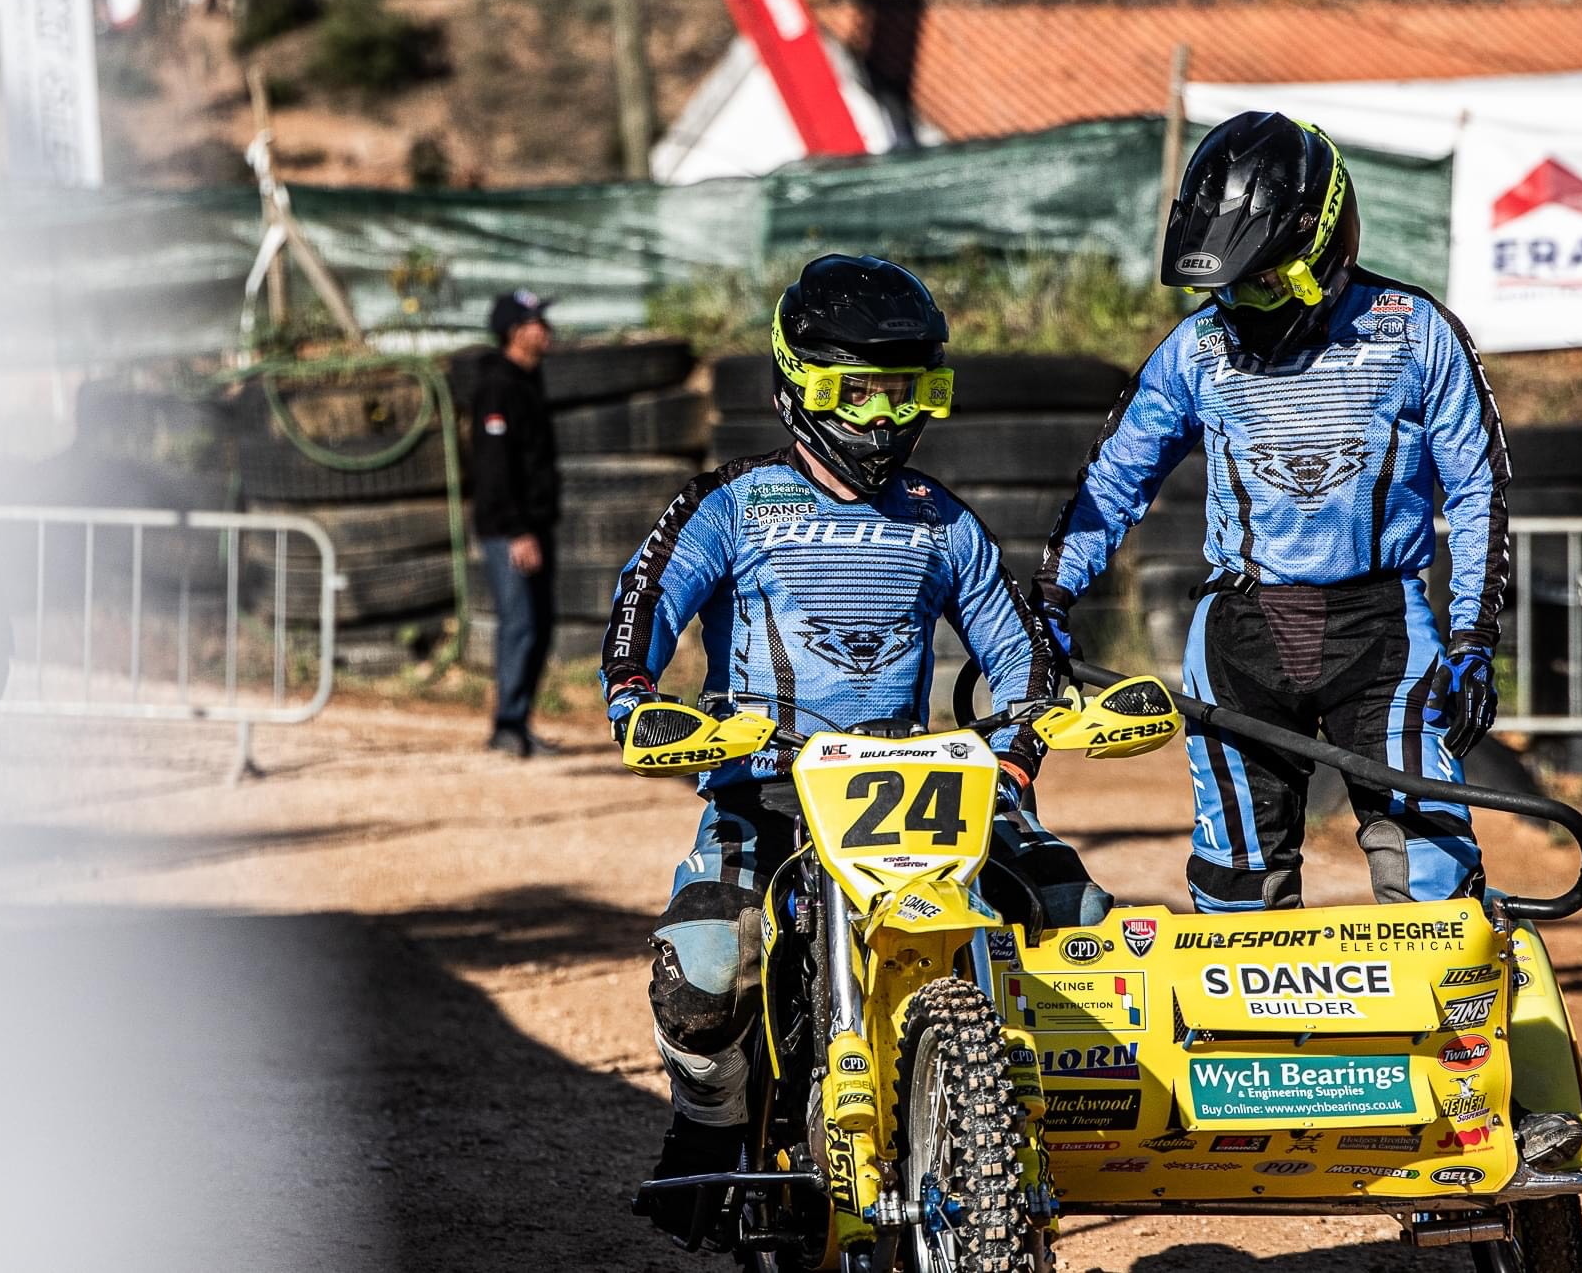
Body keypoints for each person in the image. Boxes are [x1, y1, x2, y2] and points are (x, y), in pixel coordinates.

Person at [602, 254, 1111, 1240]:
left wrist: (1015, 756)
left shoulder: (940, 519)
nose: (881, 417)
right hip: (767, 792)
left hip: (920, 791)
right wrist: (636, 701)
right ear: (797, 383)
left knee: (1074, 911)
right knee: (703, 970)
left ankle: (1048, 1126)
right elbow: (642, 609)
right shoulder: (730, 503)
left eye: (907, 391)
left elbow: (1020, 657)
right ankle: (707, 1131)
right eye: (857, 390)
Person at [1033, 111, 1508, 915]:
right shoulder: (1194, 351)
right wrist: (1048, 599)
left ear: (1324, 247)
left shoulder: (1416, 333)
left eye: (1261, 280)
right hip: (1240, 637)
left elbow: (1477, 491)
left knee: (1432, 865)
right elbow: (1111, 484)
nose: (1241, 305)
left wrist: (1472, 636)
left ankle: (1458, 1035)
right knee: (1236, 879)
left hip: (1384, 632)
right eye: (1225, 286)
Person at [452, 289, 559, 757]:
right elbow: (493, 470)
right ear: (515, 332)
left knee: (539, 625)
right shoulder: (497, 387)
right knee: (519, 625)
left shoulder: (529, 381)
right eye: (537, 322)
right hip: (509, 532)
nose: (546, 330)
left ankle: (521, 722)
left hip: (535, 527)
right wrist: (518, 531)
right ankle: (506, 726)